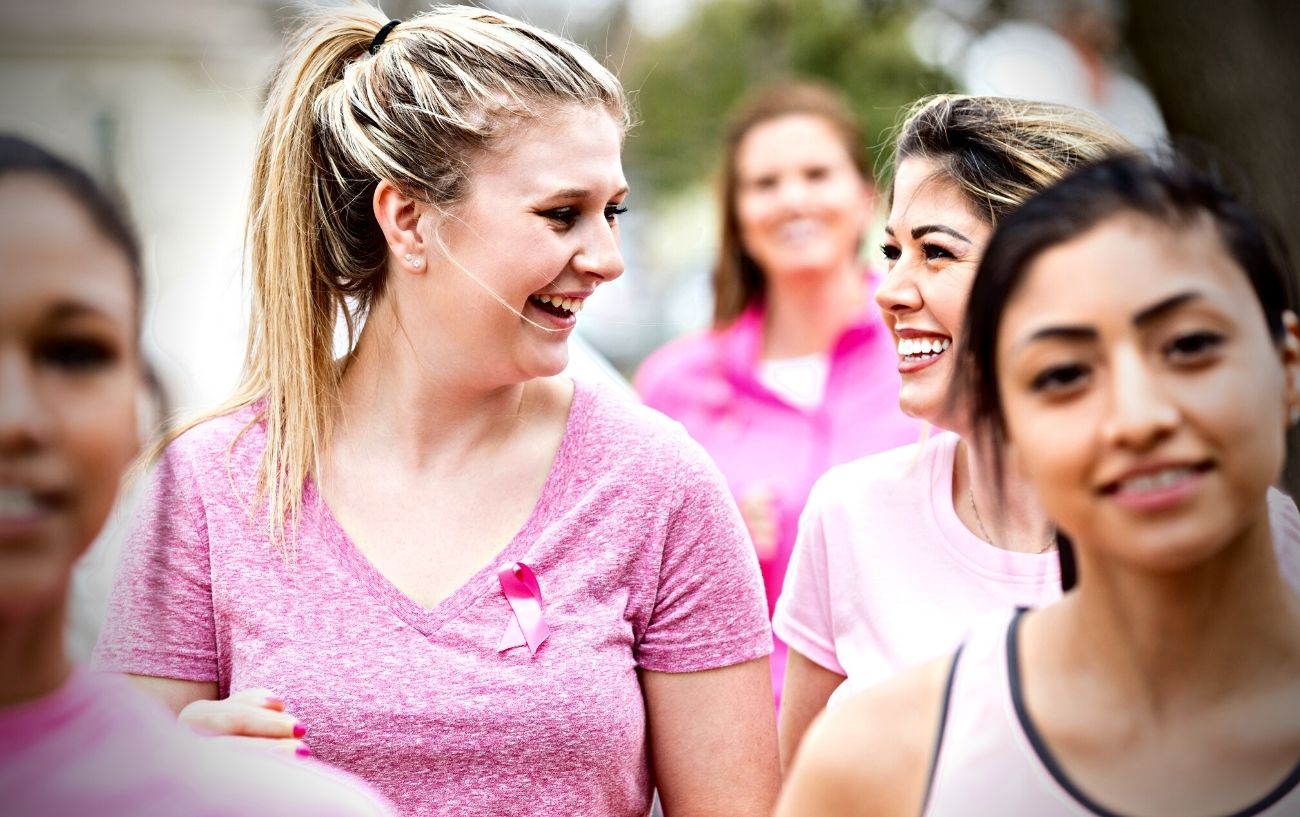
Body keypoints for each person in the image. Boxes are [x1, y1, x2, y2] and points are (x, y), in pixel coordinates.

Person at [92, 6, 778, 817]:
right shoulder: (210, 487)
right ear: (408, 220)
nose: (606, 259)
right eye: (562, 214)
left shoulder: (659, 483)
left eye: (612, 211)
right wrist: (173, 777)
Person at [771, 94, 1300, 767]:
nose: (890, 289)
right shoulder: (850, 515)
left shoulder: (1244, 538)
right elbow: (801, 788)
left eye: (935, 252)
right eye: (892, 249)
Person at [0, 134, 396, 816]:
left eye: (74, 353)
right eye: (557, 212)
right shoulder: (220, 472)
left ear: (138, 409)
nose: (15, 418)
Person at [635, 81, 921, 703]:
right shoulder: (672, 384)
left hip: (910, 725)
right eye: (765, 184)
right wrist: (707, 541)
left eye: (817, 174)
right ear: (738, 213)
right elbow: (628, 586)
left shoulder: (928, 350)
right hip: (745, 740)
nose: (792, 199)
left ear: (866, 196)